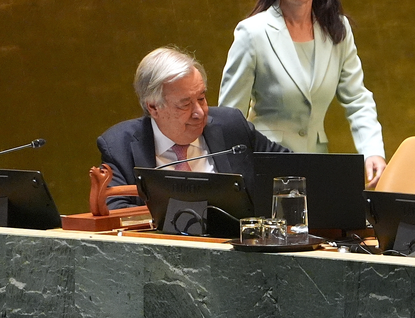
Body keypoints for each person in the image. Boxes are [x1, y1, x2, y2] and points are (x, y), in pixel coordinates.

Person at [219, 0, 386, 188]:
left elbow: (357, 98)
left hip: (317, 162)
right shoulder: (252, 32)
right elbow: (230, 115)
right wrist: (234, 174)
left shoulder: (337, 28)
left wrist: (373, 150)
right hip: (265, 164)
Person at [98, 47, 290, 210]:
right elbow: (115, 212)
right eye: (185, 104)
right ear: (153, 107)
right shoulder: (119, 145)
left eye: (201, 98)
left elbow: (294, 169)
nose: (199, 112)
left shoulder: (232, 126)